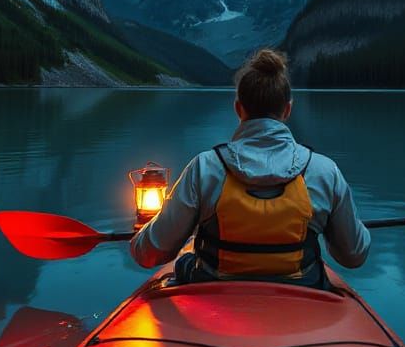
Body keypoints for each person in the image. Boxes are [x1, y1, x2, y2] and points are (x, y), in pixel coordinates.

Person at [129, 48, 370, 286]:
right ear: (287, 110)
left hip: (214, 295)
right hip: (302, 292)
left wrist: (145, 230)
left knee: (184, 263)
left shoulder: (204, 168)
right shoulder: (324, 171)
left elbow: (148, 254)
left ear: (238, 108)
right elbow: (354, 255)